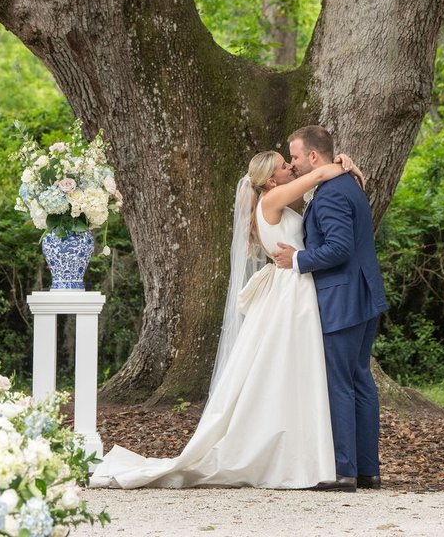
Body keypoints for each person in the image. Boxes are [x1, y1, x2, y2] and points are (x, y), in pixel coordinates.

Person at [90, 149, 362, 490]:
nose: (291, 166)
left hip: (291, 286)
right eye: (283, 165)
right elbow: (319, 175)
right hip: (291, 289)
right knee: (288, 365)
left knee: (285, 367)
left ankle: (301, 449)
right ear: (271, 179)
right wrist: (344, 164)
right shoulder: (275, 197)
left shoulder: (274, 199)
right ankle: (293, 452)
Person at [274, 126, 388, 493]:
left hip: (343, 299)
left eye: (293, 157)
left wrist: (297, 259)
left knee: (341, 383)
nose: (291, 163)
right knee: (359, 380)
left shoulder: (329, 196)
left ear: (313, 157)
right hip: (364, 295)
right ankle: (368, 471)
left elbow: (338, 248)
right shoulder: (345, 185)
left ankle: (344, 471)